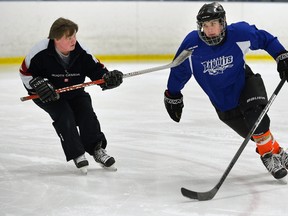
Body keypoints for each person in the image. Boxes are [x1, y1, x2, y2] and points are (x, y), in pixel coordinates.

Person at [164, 2, 288, 180]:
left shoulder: (239, 33)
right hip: (223, 102)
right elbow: (179, 71)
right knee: (253, 134)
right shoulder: (192, 44)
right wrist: (172, 94)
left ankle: (267, 157)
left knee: (257, 120)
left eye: (213, 24)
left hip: (245, 85)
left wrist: (282, 56)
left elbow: (265, 39)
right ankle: (277, 152)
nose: (209, 30)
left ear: (223, 23)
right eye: (205, 25)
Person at [19, 17, 123, 174]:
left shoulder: (82, 52)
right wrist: (37, 86)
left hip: (75, 92)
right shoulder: (39, 52)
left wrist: (107, 79)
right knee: (65, 114)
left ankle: (97, 149)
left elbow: (97, 70)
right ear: (56, 38)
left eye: (74, 36)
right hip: (49, 96)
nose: (74, 40)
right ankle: (77, 154)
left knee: (86, 112)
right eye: (69, 37)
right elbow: (25, 73)